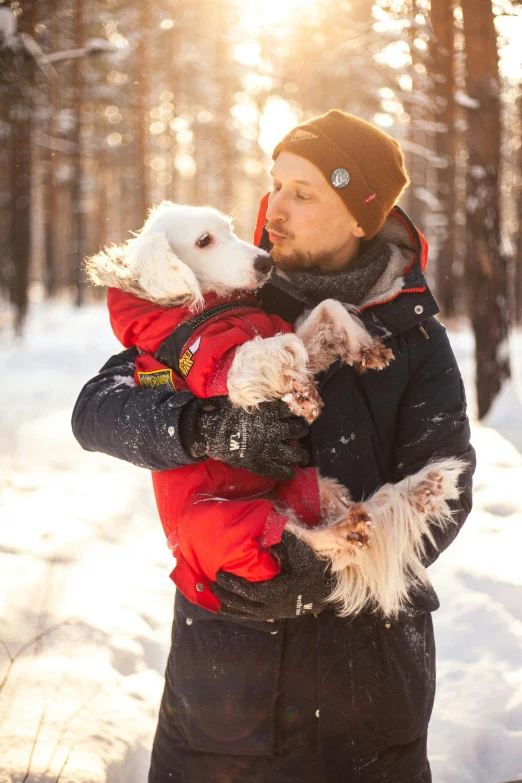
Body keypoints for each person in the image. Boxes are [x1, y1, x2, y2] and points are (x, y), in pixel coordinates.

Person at [72, 110, 475, 783]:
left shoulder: (416, 340)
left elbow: (446, 489)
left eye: (304, 192)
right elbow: (99, 411)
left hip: (367, 694)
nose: (274, 208)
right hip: (225, 687)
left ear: (361, 219)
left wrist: (322, 568)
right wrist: (204, 425)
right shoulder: (221, 295)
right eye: (276, 183)